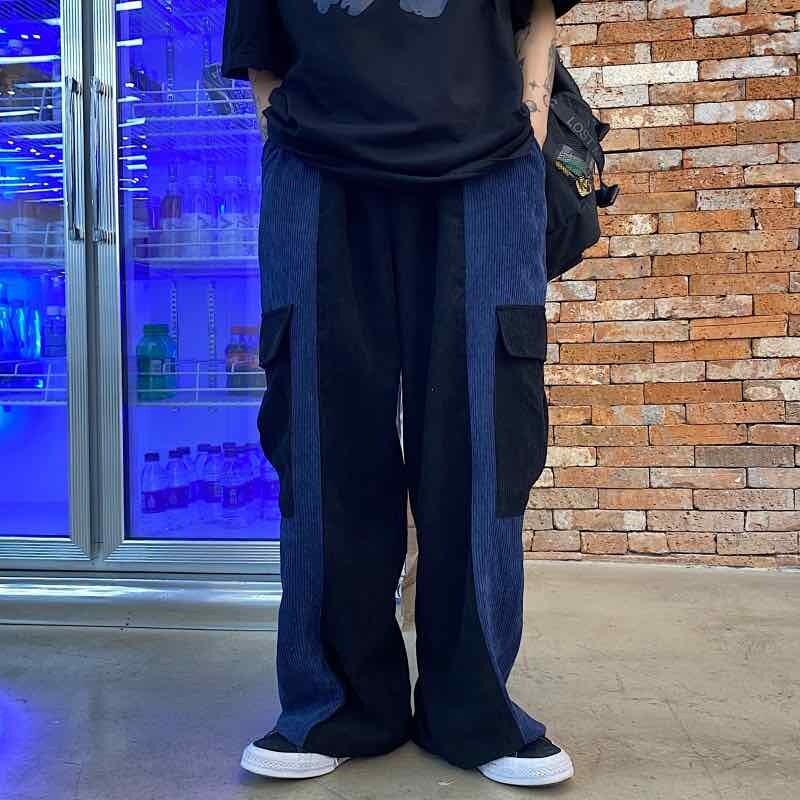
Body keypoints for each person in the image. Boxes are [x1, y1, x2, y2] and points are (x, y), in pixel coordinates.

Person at [222, 0, 577, 787]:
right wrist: (285, 136)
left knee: (482, 441)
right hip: (317, 168)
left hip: (486, 167)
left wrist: (530, 123)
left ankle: (475, 708)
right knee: (322, 443)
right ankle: (333, 702)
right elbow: (257, 43)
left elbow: (538, 11)